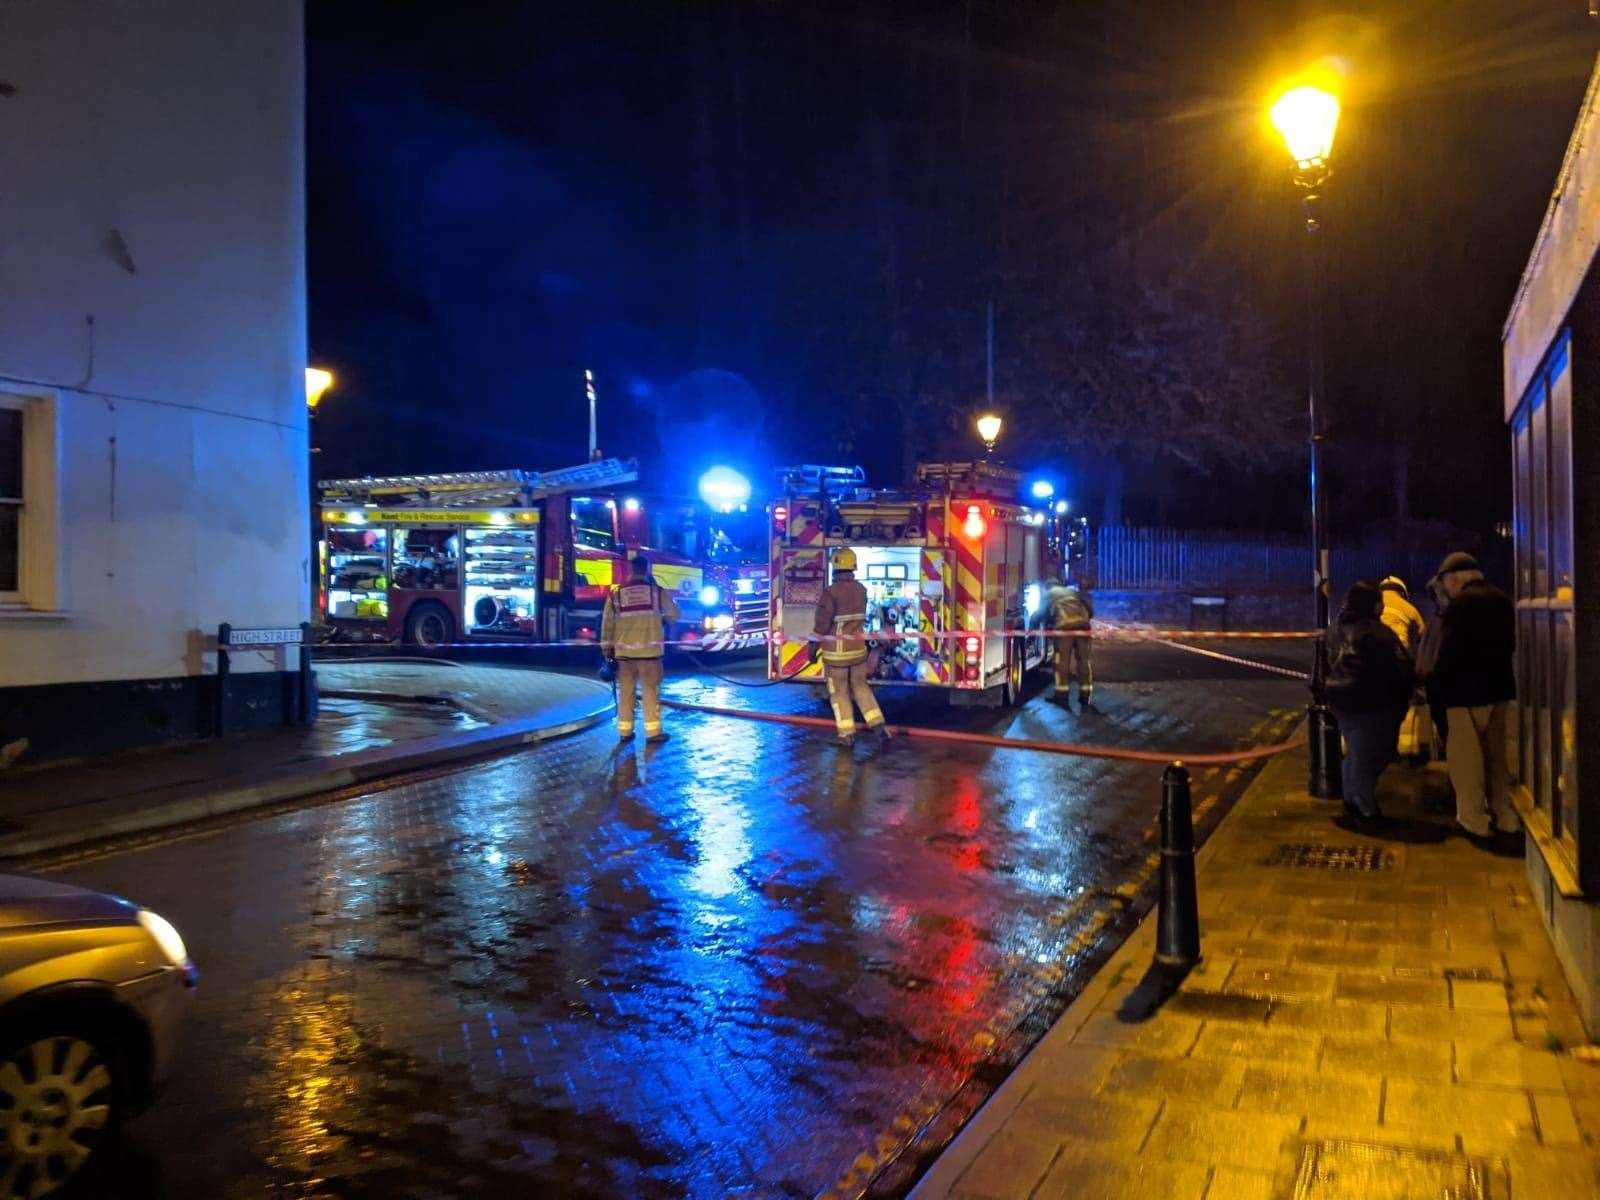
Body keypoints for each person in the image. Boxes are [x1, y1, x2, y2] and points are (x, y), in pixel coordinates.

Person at [1426, 551, 1520, 837]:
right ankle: (1505, 816)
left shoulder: (1461, 607)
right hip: (1501, 690)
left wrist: (1436, 690)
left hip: (1464, 694)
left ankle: (1474, 820)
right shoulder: (1503, 600)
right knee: (1498, 760)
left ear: (1454, 580)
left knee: (1467, 763)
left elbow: (1449, 654)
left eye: (1444, 584)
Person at [1324, 580, 1415, 822]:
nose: (1383, 607)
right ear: (1374, 605)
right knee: (1371, 756)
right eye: (1380, 603)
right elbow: (1399, 666)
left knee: (1356, 754)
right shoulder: (1377, 633)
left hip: (1341, 700)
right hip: (1372, 704)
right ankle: (1366, 809)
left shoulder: (1337, 628)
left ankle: (1352, 800)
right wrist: (1408, 692)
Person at [814, 547, 889, 748]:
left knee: (839, 693)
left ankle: (846, 735)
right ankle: (879, 727)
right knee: (861, 688)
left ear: (836, 565)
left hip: (836, 654)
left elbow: (821, 625)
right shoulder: (861, 590)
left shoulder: (831, 592)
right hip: (858, 651)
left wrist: (812, 648)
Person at [601, 553, 679, 743]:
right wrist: (661, 617)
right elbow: (675, 614)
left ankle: (625, 732)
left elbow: (607, 624)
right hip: (649, 654)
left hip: (624, 655)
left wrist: (606, 650)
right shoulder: (656, 592)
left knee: (626, 693)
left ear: (630, 570)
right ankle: (653, 733)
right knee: (650, 692)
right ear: (647, 569)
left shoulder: (616, 593)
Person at [1379, 576, 1426, 759]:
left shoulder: (1373, 604)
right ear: (1402, 592)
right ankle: (1403, 746)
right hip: (1400, 662)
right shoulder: (1409, 608)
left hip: (1372, 662)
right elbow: (1422, 635)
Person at [1047, 574, 1094, 710]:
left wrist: (1031, 630)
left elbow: (1040, 613)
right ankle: (1085, 697)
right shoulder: (1071, 592)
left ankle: (1061, 697)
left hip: (1064, 629)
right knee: (1084, 661)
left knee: (1062, 662)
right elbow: (1090, 611)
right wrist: (1083, 620)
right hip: (1083, 628)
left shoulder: (1050, 593)